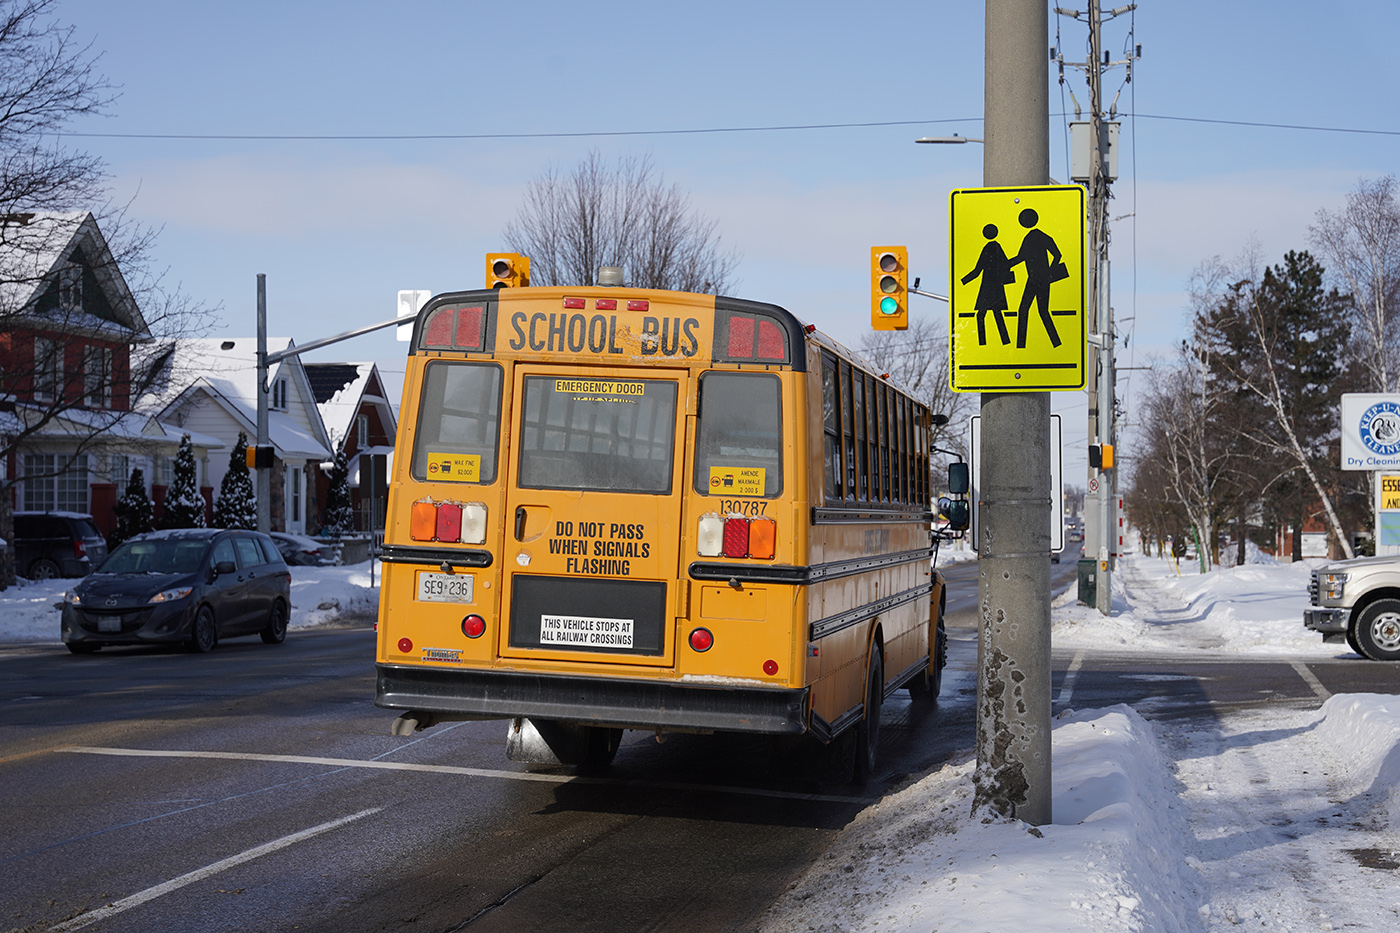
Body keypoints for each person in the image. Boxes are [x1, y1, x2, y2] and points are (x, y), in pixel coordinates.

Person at [1008, 208, 1064, 349]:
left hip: (1035, 279)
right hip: (1039, 279)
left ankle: (1021, 345)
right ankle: (1055, 343)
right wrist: (1049, 272)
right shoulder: (1040, 236)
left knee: (1025, 310)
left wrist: (1005, 264)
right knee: (1040, 311)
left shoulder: (1031, 238)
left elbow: (1020, 257)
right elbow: (1057, 255)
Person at [960, 223, 1014, 346]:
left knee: (982, 315)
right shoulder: (996, 247)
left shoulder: (989, 248)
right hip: (996, 287)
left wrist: (963, 281)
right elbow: (1006, 264)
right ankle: (1005, 341)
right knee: (996, 314)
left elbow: (978, 270)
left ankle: (983, 343)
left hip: (988, 288)